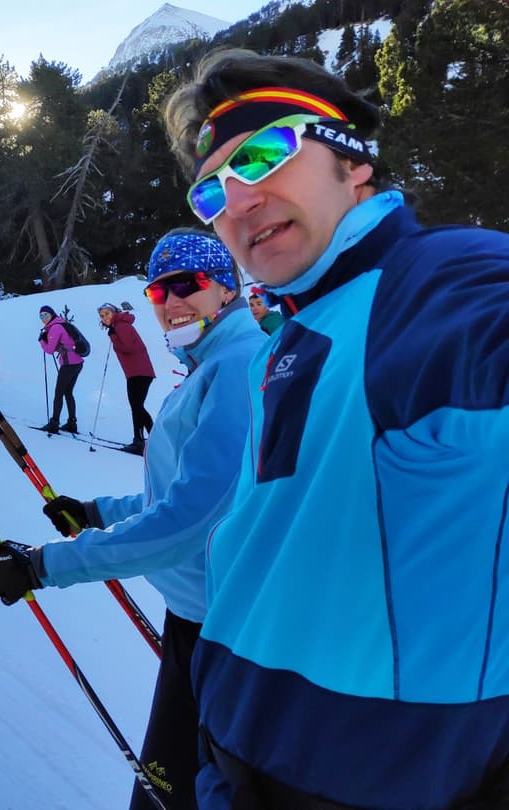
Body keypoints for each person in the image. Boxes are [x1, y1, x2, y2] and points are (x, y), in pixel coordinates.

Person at [162, 49, 509, 809]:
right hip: (239, 769)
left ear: (354, 165)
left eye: (264, 155)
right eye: (211, 190)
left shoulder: (434, 285)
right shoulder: (292, 334)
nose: (239, 200)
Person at [0, 229, 265, 810]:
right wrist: (94, 513)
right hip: (198, 618)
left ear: (228, 288)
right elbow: (179, 497)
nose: (172, 300)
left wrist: (43, 566)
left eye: (189, 283)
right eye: (160, 291)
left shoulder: (236, 366)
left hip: (228, 631)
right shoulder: (209, 365)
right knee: (172, 786)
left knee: (176, 792)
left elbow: (189, 522)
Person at [98, 303, 156, 455]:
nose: (105, 318)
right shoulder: (118, 326)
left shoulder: (121, 326)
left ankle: (142, 440)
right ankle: (147, 439)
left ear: (115, 312)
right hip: (136, 372)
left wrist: (114, 337)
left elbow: (128, 348)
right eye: (102, 316)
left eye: (107, 314)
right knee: (137, 406)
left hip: (139, 372)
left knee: (137, 406)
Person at [37, 305, 83, 434]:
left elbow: (49, 350)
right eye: (41, 316)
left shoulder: (55, 327)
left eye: (46, 315)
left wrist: (42, 341)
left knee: (59, 394)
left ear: (52, 314)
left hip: (69, 364)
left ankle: (54, 423)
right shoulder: (62, 323)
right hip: (77, 362)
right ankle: (72, 423)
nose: (44, 318)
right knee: (68, 392)